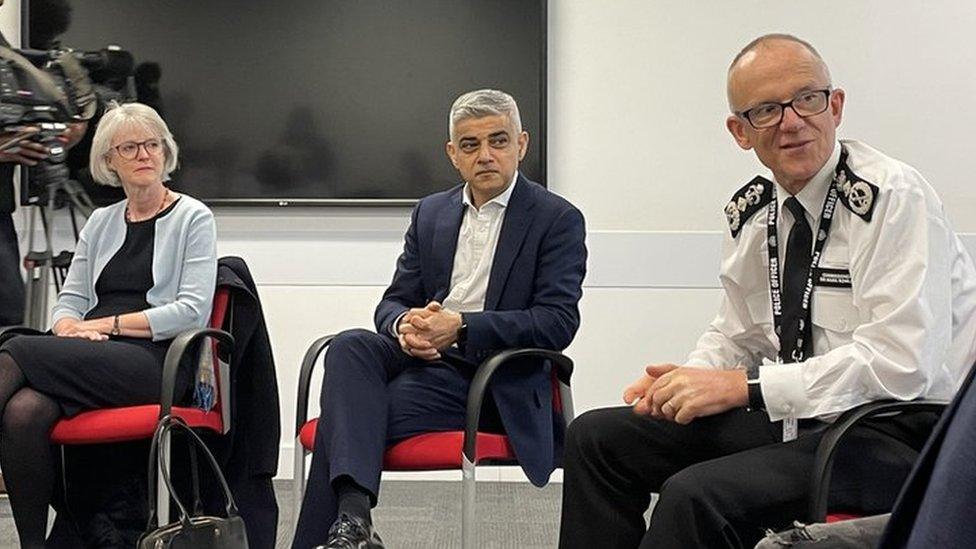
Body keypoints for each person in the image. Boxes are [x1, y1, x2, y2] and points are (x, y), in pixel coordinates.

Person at [557, 33, 976, 549]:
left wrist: (746, 388)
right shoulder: (754, 213)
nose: (793, 121)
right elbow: (736, 333)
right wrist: (685, 383)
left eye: (807, 99)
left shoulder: (893, 198)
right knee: (596, 439)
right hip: (800, 422)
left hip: (895, 435)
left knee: (694, 495)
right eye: (766, 110)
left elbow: (902, 366)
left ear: (835, 106)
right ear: (740, 131)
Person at [292, 89, 587, 549]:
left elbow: (556, 321)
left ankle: (347, 527)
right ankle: (352, 524)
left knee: (348, 413)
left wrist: (463, 326)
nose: (485, 155)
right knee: (351, 344)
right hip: (425, 358)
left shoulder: (556, 219)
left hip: (493, 376)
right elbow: (391, 303)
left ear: (522, 145)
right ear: (453, 154)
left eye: (498, 140)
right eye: (470, 145)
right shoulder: (431, 212)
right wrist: (406, 325)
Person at [0, 101, 217, 548]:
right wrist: (66, 329)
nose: (144, 154)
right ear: (108, 160)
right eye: (131, 147)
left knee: (14, 347)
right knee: (24, 412)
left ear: (166, 151)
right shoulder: (100, 222)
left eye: (153, 144)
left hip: (155, 362)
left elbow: (191, 312)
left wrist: (109, 327)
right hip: (91, 355)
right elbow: (70, 302)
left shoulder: (193, 216)